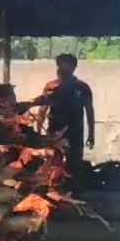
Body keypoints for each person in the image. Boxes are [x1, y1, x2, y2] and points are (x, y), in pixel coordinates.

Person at [37, 54, 96, 188]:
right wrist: (38, 133)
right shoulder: (50, 87)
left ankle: (74, 192)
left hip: (75, 132)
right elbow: (42, 111)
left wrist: (91, 134)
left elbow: (90, 111)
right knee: (52, 164)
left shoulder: (82, 88)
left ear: (74, 67)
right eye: (61, 65)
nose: (63, 68)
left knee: (75, 166)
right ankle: (52, 191)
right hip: (54, 132)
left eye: (67, 65)